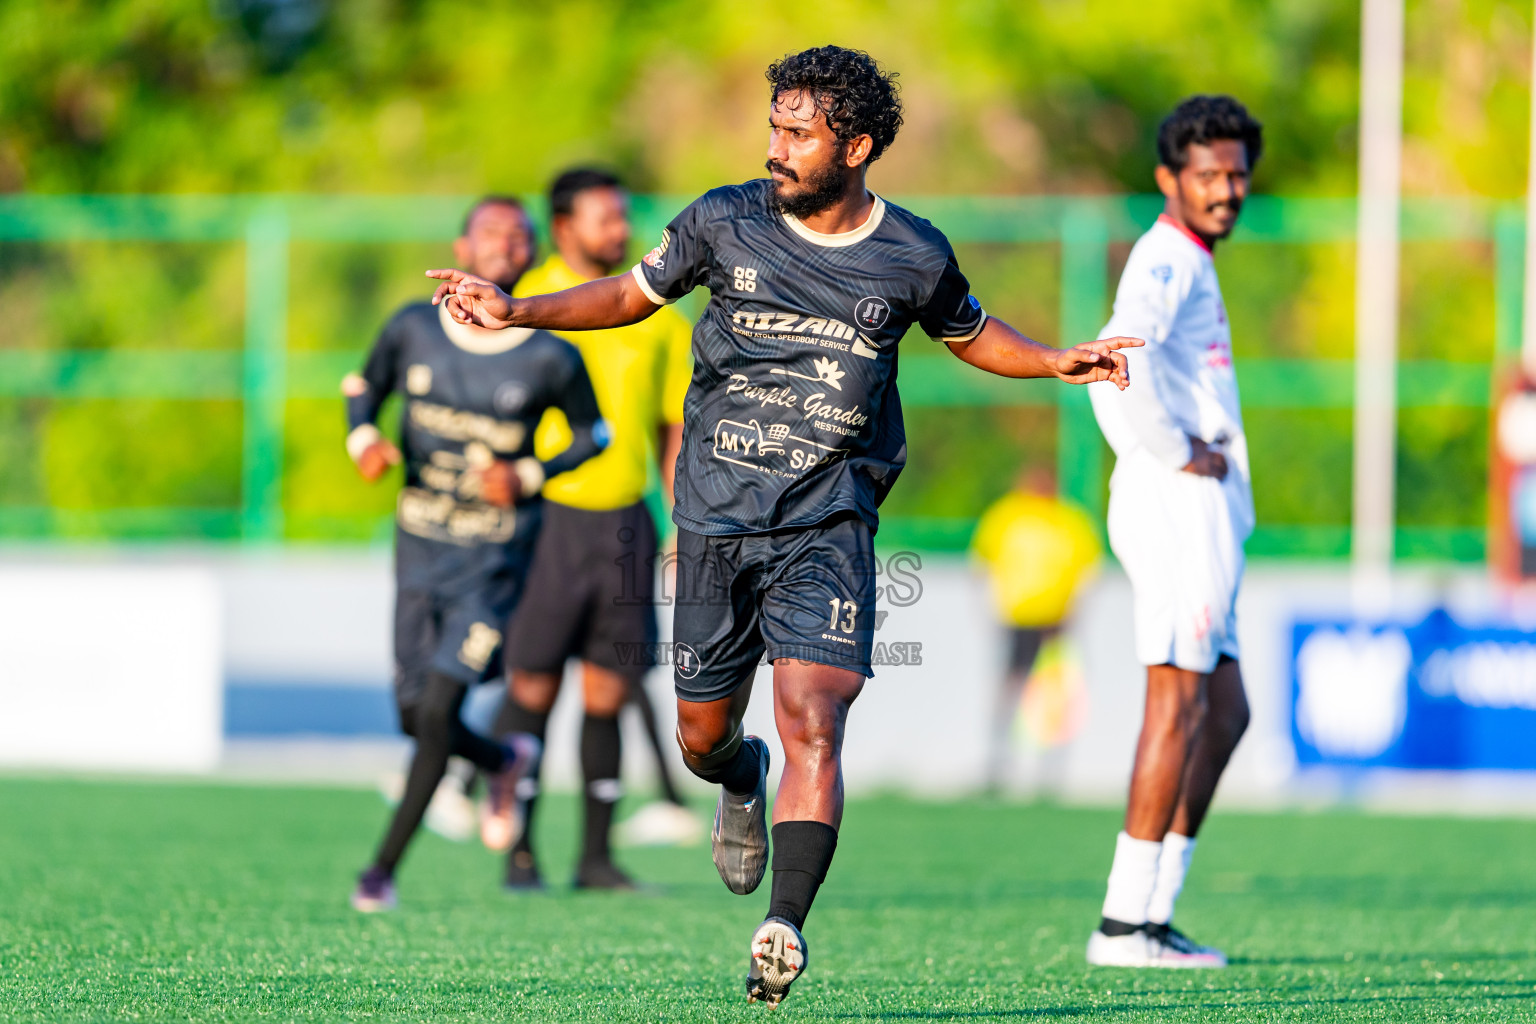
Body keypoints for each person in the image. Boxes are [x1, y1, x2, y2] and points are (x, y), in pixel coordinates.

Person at [424, 46, 1140, 1005]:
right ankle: (738, 777)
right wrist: (522, 308)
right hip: (717, 518)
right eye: (774, 127)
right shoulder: (723, 220)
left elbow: (970, 332)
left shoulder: (914, 253)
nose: (777, 148)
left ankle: (784, 925)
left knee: (817, 713)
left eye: (798, 134)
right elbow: (629, 297)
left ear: (859, 145)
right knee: (701, 737)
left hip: (830, 520)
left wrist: (1053, 361)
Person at [344, 195, 608, 912]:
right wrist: (363, 438)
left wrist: (526, 475)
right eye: (490, 231)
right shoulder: (410, 329)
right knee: (411, 713)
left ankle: (382, 872)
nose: (504, 242)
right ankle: (502, 759)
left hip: (493, 565)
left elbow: (597, 434)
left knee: (437, 707)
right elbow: (362, 389)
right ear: (461, 246)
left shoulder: (551, 353)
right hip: (419, 551)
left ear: (528, 257)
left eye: (518, 236)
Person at [1083, 95, 1262, 968]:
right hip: (1174, 508)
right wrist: (1173, 451)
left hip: (1204, 514)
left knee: (1224, 712)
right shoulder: (1162, 258)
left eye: (1235, 174)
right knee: (1178, 702)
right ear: (1169, 180)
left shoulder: (1193, 255)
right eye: (1208, 175)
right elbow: (1112, 366)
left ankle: (1153, 914)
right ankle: (1123, 924)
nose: (1226, 189)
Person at [491, 167, 697, 890]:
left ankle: (596, 857)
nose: (620, 229)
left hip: (625, 527)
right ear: (564, 225)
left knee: (609, 691)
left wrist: (680, 521)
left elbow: (675, 425)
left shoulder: (659, 314)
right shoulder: (524, 302)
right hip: (542, 523)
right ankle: (518, 850)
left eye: (622, 216)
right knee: (534, 689)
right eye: (604, 217)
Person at [970, 465, 1101, 790]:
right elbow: (982, 562)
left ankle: (1050, 768)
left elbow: (1089, 569)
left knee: (1053, 691)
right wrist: (989, 608)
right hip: (1018, 619)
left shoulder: (1070, 519)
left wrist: (1077, 610)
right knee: (1011, 687)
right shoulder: (1007, 514)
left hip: (1057, 621)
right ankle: (999, 761)